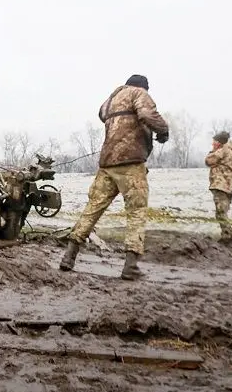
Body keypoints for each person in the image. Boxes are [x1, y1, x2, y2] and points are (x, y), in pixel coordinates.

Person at [59, 74, 170, 280]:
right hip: (131, 162)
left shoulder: (110, 100)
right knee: (136, 212)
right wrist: (163, 130)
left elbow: (102, 114)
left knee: (91, 210)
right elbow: (147, 114)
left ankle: (68, 257)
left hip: (107, 163)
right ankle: (130, 266)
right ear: (143, 87)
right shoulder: (139, 93)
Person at [205, 130, 232, 245]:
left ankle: (227, 237)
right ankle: (228, 235)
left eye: (214, 142)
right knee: (223, 211)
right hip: (229, 186)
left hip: (221, 185)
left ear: (219, 142)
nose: (212, 144)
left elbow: (208, 160)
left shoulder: (222, 151)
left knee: (220, 212)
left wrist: (213, 152)